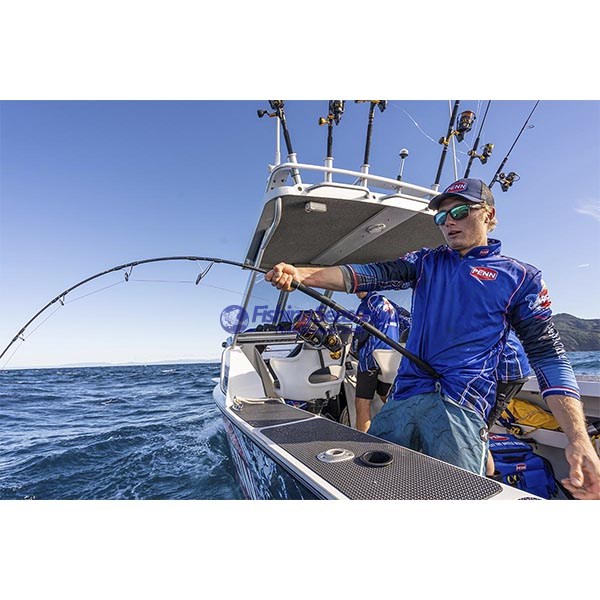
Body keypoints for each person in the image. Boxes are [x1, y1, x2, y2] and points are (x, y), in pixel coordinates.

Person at [266, 178, 600, 500]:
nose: (449, 222)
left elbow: (548, 355)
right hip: (405, 397)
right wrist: (302, 274)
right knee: (372, 486)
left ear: (489, 215)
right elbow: (373, 274)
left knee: (455, 498)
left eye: (460, 212)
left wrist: (578, 439)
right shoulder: (426, 261)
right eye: (441, 217)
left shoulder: (521, 277)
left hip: (461, 406)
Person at [351, 291, 411, 432]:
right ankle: (404, 433)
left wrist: (353, 349)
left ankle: (363, 439)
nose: (357, 291)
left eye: (360, 288)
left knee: (362, 402)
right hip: (390, 359)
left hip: (369, 360)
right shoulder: (389, 304)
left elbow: (360, 334)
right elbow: (408, 322)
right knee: (387, 398)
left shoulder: (367, 305)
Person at [486, 329, 532, 477]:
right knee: (474, 430)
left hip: (504, 370)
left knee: (474, 431)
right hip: (501, 367)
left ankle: (486, 484)